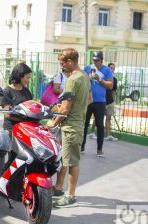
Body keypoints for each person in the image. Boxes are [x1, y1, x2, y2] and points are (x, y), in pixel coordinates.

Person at [46, 48, 90, 208]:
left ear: (70, 62)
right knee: (66, 159)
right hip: (78, 123)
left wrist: (53, 123)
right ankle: (58, 188)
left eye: (63, 63)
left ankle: (70, 195)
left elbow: (65, 109)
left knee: (72, 162)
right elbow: (88, 99)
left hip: (71, 126)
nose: (62, 67)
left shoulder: (72, 80)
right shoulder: (84, 76)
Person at [81, 51, 113, 157]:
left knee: (99, 124)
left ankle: (99, 149)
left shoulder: (107, 70)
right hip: (88, 101)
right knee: (84, 124)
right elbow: (81, 81)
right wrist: (87, 79)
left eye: (97, 60)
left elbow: (110, 86)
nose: (96, 62)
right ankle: (81, 147)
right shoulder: (87, 68)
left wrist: (99, 80)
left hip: (100, 101)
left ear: (101, 60)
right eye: (94, 60)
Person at [88, 63, 118, 141]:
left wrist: (113, 101)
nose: (112, 70)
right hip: (101, 101)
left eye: (113, 68)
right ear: (108, 69)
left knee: (108, 118)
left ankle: (108, 135)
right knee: (97, 118)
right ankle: (92, 133)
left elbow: (113, 91)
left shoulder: (114, 79)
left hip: (110, 101)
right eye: (111, 68)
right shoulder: (102, 76)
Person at [0, 63, 33, 134]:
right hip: (12, 130)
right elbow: (7, 115)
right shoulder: (6, 92)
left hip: (25, 129)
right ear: (20, 76)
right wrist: (26, 119)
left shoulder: (26, 91)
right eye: (27, 78)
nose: (28, 80)